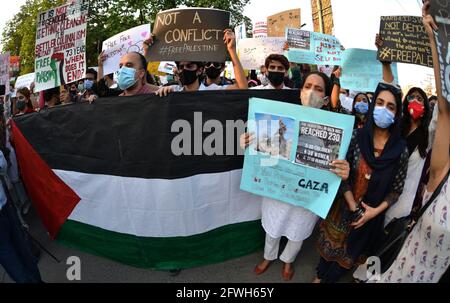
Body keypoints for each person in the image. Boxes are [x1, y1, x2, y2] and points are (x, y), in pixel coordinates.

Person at [240, 72, 350, 281]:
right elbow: (263, 148)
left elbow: (338, 165)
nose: (311, 92)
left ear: (326, 99)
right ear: (300, 92)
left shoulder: (338, 130)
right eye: (308, 86)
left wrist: (344, 169)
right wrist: (247, 142)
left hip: (306, 196)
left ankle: (288, 260)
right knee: (272, 228)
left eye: (318, 89)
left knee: (298, 231)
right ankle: (268, 256)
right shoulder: (279, 117)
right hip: (277, 189)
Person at [376, 1, 450, 282]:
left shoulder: (426, 140)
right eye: (413, 98)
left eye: (422, 99)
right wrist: (435, 39)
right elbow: (445, 110)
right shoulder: (441, 169)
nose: (416, 103)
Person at [314, 81, 409, 283]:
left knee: (346, 261)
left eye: (391, 106)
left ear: (397, 113)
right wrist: (352, 204)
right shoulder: (357, 137)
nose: (384, 109)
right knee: (327, 254)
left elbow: (396, 189)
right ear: (373, 104)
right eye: (380, 103)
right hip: (342, 209)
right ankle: (319, 276)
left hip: (370, 217)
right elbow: (339, 172)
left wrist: (374, 212)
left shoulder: (400, 150)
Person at [384, 87, 431, 226]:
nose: (415, 100)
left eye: (419, 98)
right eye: (411, 97)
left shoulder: (428, 135)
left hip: (402, 203)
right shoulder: (395, 127)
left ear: (426, 107)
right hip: (382, 192)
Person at [154, 29, 247, 95]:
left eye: (189, 66)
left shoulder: (212, 90)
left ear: (200, 70)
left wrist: (232, 49)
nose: (184, 69)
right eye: (181, 67)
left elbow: (242, 88)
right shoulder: (172, 91)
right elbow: (142, 87)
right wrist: (147, 52)